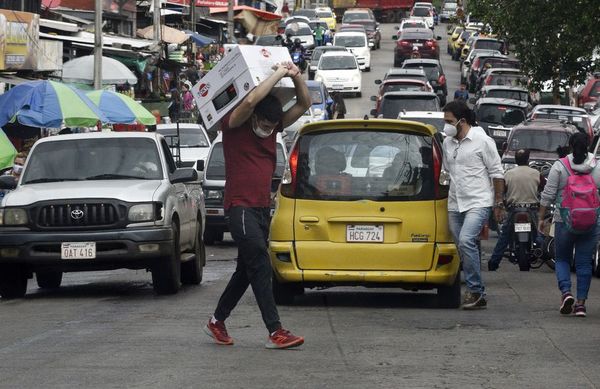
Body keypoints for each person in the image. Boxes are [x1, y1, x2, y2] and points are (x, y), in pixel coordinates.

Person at [204, 61, 311, 349]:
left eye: (271, 126)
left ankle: (217, 320)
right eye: (263, 124)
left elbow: (304, 102)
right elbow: (251, 99)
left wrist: (296, 75)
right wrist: (277, 72)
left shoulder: (274, 127)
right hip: (239, 207)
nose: (267, 130)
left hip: (262, 208)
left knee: (245, 270)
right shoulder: (235, 124)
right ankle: (275, 331)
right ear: (254, 118)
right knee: (261, 264)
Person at [441, 100, 505, 309]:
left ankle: (475, 291)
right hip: (454, 202)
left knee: (467, 240)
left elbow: (497, 173)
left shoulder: (482, 140)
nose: (446, 125)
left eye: (449, 121)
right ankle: (478, 291)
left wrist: (498, 202)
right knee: (464, 245)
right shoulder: (447, 143)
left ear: (462, 120)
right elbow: (445, 172)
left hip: (478, 201)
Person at [538, 132, 600, 317]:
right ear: (588, 145)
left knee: (563, 259)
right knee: (583, 263)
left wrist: (541, 217)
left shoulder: (560, 166)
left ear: (571, 146)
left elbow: (548, 194)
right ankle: (581, 305)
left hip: (563, 221)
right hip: (591, 222)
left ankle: (566, 293)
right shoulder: (597, 166)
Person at [488, 149, 543, 271]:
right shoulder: (536, 173)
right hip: (532, 209)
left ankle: (494, 262)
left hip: (513, 209)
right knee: (538, 234)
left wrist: (502, 203)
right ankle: (543, 252)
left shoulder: (508, 174)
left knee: (504, 237)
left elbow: (502, 191)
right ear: (528, 159)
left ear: (516, 160)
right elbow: (543, 188)